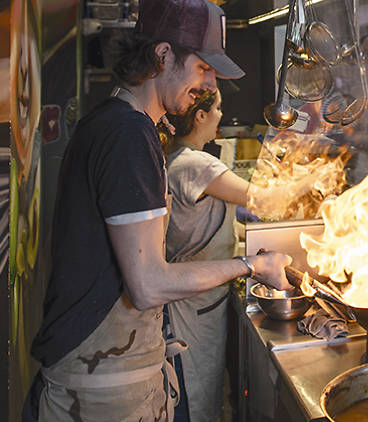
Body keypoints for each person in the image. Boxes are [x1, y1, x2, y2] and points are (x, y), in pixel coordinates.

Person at [23, 1, 293, 421]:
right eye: (203, 67)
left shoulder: (122, 123)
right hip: (101, 386)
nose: (209, 83)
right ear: (163, 55)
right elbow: (148, 284)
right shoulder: (127, 134)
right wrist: (253, 265)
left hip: (111, 369)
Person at [158, 88, 249, 422]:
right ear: (200, 116)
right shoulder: (195, 164)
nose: (221, 116)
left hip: (199, 299)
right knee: (192, 395)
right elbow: (261, 198)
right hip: (190, 305)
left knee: (205, 390)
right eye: (219, 109)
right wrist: (310, 180)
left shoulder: (178, 158)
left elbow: (202, 224)